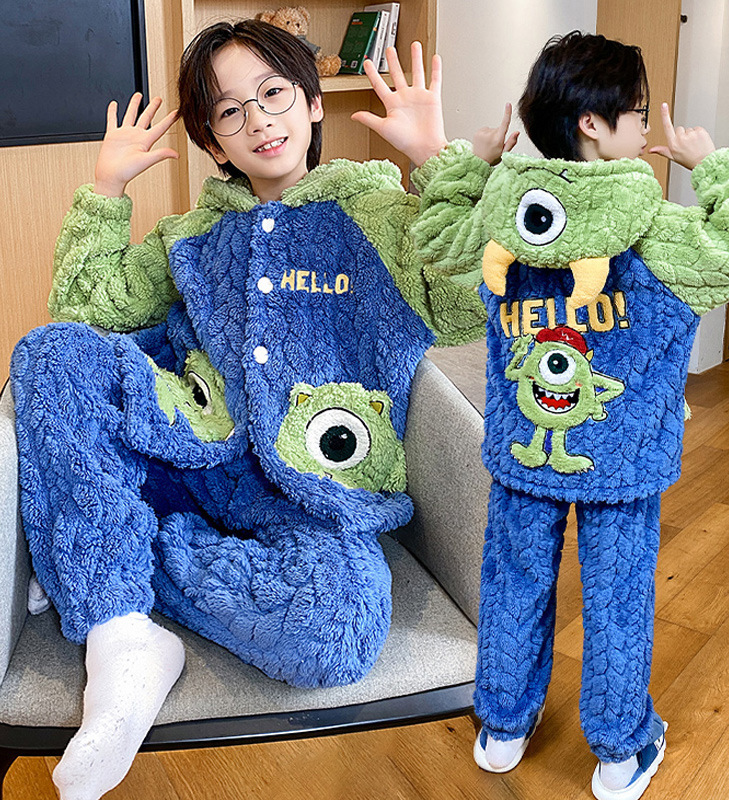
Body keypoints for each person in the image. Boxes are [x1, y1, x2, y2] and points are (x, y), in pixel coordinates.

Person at [10, 20, 484, 800]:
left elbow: (468, 306)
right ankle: (121, 637)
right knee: (52, 350)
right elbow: (88, 307)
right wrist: (107, 189)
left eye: (273, 94)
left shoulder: (379, 215)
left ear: (312, 102)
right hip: (186, 458)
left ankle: (104, 558)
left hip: (312, 496)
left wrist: (440, 161)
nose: (258, 119)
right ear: (213, 141)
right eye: (230, 111)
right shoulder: (193, 235)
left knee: (337, 630)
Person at [361, 30, 729, 800]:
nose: (648, 127)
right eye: (639, 113)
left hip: (525, 449)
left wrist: (472, 163)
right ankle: (621, 751)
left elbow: (437, 236)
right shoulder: (663, 234)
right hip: (622, 464)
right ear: (594, 122)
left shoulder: (502, 222)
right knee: (618, 597)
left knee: (514, 581)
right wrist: (707, 161)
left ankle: (502, 726)